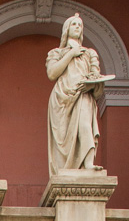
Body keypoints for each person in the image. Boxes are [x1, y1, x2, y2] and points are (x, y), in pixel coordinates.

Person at [45, 12, 107, 175]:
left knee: (85, 125)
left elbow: (96, 75)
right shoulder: (56, 53)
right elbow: (52, 73)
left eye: (80, 25)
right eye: (74, 24)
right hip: (61, 97)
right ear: (66, 29)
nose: (78, 27)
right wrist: (71, 53)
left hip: (82, 93)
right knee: (62, 136)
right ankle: (63, 169)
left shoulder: (89, 53)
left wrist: (91, 84)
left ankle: (88, 164)